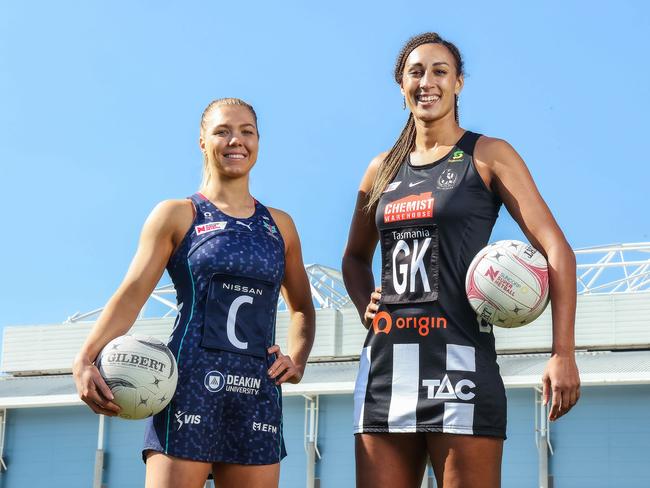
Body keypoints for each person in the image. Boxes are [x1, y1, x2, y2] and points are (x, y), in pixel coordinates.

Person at [342, 33, 580, 488]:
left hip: (461, 366)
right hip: (386, 368)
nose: (427, 82)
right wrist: (363, 304)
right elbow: (354, 258)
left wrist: (562, 353)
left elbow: (557, 250)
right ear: (401, 86)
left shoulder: (488, 155)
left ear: (459, 84)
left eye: (439, 71)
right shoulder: (381, 169)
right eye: (416, 72)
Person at [73, 97, 315, 488]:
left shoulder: (280, 226)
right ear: (202, 141)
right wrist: (85, 358)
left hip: (256, 395)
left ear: (258, 141)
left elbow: (303, 307)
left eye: (246, 132)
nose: (236, 140)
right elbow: (132, 295)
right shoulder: (178, 214)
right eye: (222, 131)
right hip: (188, 389)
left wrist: (298, 359)